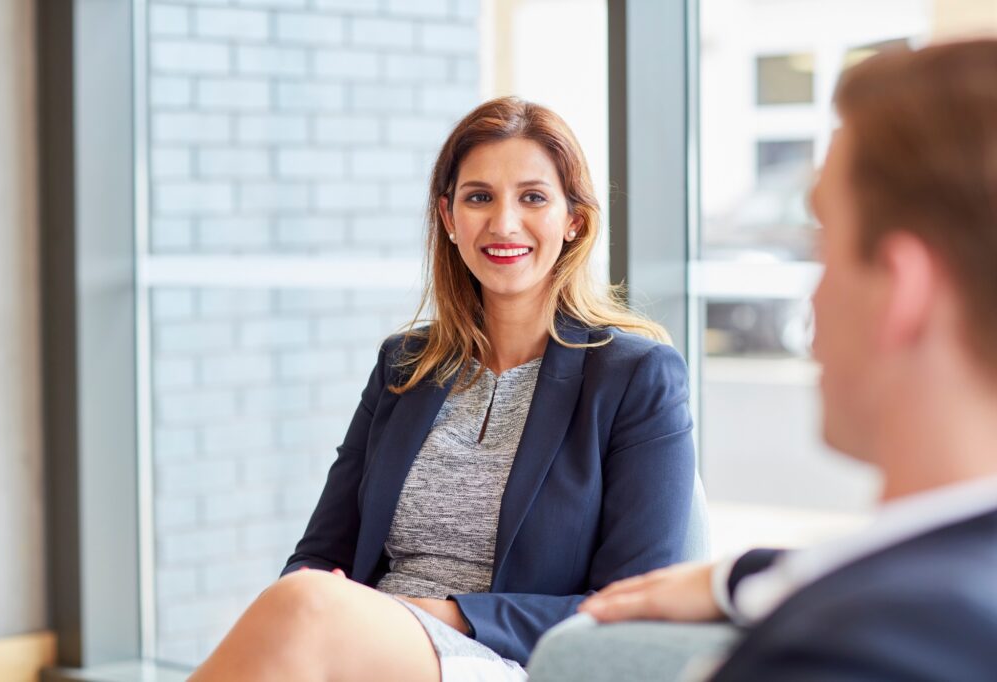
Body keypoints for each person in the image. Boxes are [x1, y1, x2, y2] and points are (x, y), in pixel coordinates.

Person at [190, 96, 697, 682]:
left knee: (304, 606)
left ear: (574, 219)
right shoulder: (403, 364)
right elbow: (320, 553)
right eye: (479, 197)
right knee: (302, 599)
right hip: (365, 639)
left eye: (533, 197)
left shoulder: (636, 375)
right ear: (449, 218)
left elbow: (632, 605)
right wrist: (347, 606)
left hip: (508, 658)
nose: (504, 223)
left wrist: (437, 614)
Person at [577, 39, 997, 680]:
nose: (814, 302)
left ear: (899, 289)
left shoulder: (856, 653)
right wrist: (745, 576)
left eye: (822, 246)